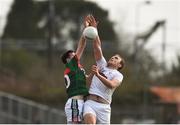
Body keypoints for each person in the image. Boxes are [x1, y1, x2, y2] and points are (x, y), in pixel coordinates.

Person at [83, 15, 125, 124]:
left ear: (119, 65)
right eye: (113, 56)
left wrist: (97, 75)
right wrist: (94, 30)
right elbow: (97, 47)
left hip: (104, 107)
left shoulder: (118, 75)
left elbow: (111, 85)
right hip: (90, 103)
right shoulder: (102, 65)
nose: (113, 58)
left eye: (116, 58)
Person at [61, 15, 92, 124]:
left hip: (82, 102)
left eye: (73, 54)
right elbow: (81, 46)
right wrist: (86, 30)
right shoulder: (70, 66)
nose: (74, 55)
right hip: (75, 102)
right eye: (71, 55)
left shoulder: (79, 69)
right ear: (67, 60)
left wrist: (94, 73)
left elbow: (87, 80)